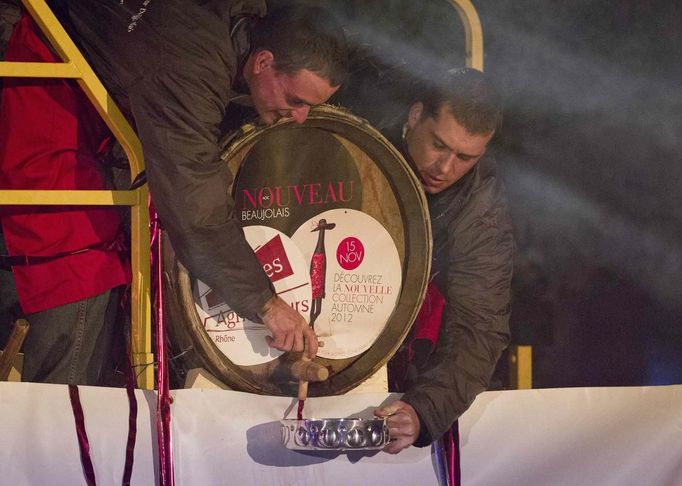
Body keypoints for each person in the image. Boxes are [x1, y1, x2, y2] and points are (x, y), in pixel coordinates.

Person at [0, 1, 348, 385]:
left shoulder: (229, 28)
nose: (301, 117)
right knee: (79, 268)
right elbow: (194, 202)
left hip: (98, 103)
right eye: (297, 101)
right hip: (51, 84)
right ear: (263, 61)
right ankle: (61, 424)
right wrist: (265, 303)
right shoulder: (191, 65)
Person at [373, 68, 514, 453]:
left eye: (465, 157)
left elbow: (479, 326)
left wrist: (422, 410)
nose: (445, 168)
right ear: (415, 115)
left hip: (402, 373)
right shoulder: (359, 137)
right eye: (439, 145)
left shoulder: (480, 207)